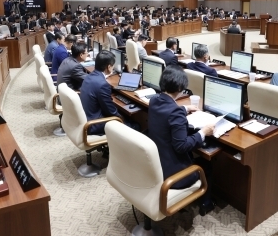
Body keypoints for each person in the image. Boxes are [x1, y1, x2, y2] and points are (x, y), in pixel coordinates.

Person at [147, 66, 215, 215]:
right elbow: (182, 146)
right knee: (207, 163)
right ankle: (206, 203)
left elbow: (167, 110)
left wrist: (184, 109)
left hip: (156, 163)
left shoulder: (154, 100)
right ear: (180, 87)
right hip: (173, 175)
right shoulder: (175, 112)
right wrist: (203, 132)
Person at [80, 51, 139, 136]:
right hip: (94, 124)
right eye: (113, 66)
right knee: (135, 125)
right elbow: (111, 112)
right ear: (108, 67)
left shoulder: (89, 76)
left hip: (87, 118)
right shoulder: (102, 84)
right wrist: (123, 119)